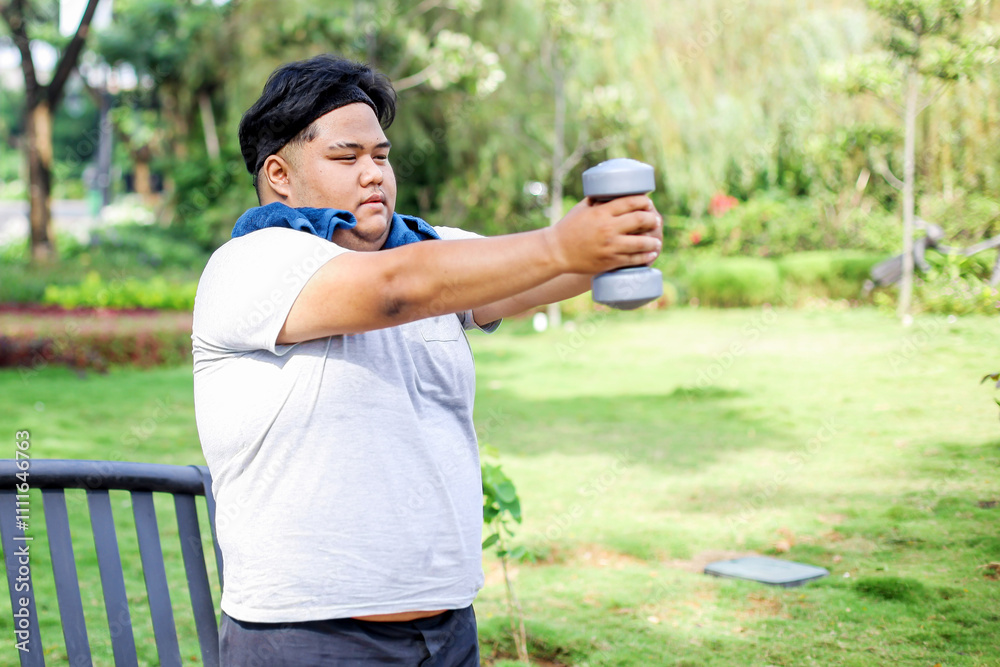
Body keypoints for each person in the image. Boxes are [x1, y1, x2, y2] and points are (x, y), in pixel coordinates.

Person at [191, 53, 662, 667]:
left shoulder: (424, 250)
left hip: (445, 629)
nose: (373, 175)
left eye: (381, 157)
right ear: (278, 174)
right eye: (346, 157)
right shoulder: (253, 262)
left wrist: (618, 241)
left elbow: (535, 273)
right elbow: (393, 290)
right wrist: (560, 242)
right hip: (308, 636)